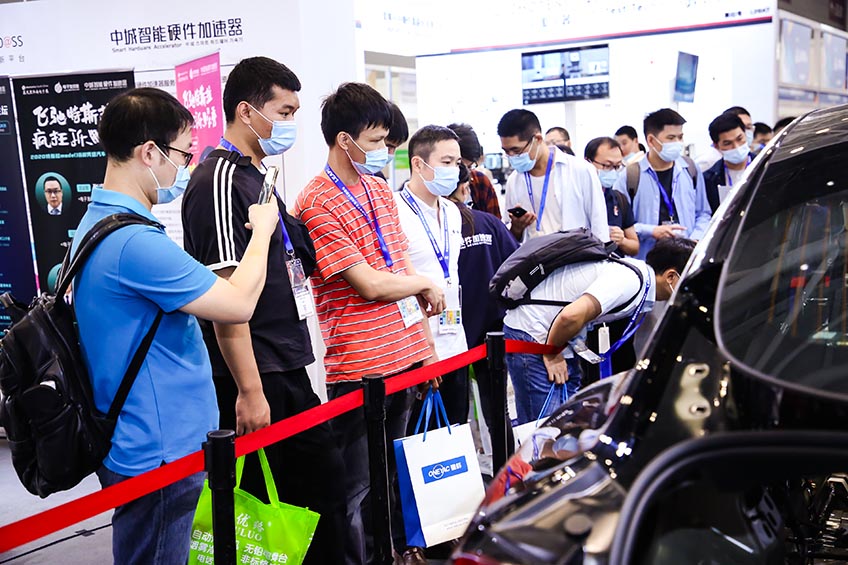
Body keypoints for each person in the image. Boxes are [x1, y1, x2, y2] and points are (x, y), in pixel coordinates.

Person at [71, 87, 279, 565]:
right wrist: (263, 231)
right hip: (159, 447)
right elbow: (238, 303)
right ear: (149, 153)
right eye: (183, 154)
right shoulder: (134, 243)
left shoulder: (99, 224)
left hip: (138, 435)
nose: (184, 168)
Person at [181, 57, 346, 565]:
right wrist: (250, 391)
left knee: (314, 504)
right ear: (247, 111)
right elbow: (226, 298)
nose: (291, 123)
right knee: (278, 513)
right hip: (258, 374)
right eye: (285, 111)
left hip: (285, 363)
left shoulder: (259, 175)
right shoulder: (218, 179)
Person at [293, 82, 444, 565]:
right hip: (361, 367)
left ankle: (397, 554)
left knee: (394, 477)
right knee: (356, 488)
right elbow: (370, 284)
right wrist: (422, 283)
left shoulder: (379, 189)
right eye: (376, 140)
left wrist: (426, 349)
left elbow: (398, 265)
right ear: (344, 140)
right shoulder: (315, 201)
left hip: (406, 355)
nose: (384, 150)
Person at [503, 237, 696, 424]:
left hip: (558, 338)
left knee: (564, 421)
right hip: (535, 334)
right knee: (544, 427)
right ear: (671, 276)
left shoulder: (638, 278)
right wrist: (552, 353)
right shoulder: (629, 281)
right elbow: (571, 316)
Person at [395, 125, 468, 430]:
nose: (455, 170)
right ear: (418, 164)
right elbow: (399, 286)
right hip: (417, 351)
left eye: (457, 162)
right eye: (446, 162)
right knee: (417, 440)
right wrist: (426, 351)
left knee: (456, 436)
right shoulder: (395, 210)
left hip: (456, 344)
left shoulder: (452, 210)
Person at [447, 163, 519, 457]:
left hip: (450, 335)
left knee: (453, 418)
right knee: (497, 412)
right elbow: (516, 265)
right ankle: (508, 474)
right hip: (493, 332)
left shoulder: (436, 230)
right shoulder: (489, 223)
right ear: (465, 188)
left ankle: (458, 477)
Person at [612, 108, 711, 260]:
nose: (678, 143)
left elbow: (703, 213)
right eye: (671, 138)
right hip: (647, 259)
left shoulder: (690, 169)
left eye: (680, 137)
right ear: (651, 140)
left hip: (686, 257)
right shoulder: (630, 176)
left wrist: (695, 239)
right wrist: (651, 230)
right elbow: (620, 225)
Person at [498, 109, 609, 243]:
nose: (511, 156)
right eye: (506, 151)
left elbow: (599, 225)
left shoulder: (580, 170)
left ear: (537, 139)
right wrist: (517, 227)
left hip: (576, 254)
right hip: (534, 255)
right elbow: (510, 237)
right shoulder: (514, 180)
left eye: (516, 150)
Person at [584, 137, 638, 256]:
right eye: (607, 166)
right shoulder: (576, 198)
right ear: (587, 162)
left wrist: (622, 241)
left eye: (617, 166)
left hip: (613, 264)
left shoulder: (618, 199)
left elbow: (635, 247)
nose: (612, 172)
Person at [447, 122, 501, 218]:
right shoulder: (438, 186)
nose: (465, 174)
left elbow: (495, 223)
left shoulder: (480, 182)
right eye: (459, 166)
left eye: (469, 167)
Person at [703, 112, 753, 214]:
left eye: (740, 139)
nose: (736, 146)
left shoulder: (765, 165)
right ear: (716, 146)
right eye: (727, 143)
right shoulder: (709, 179)